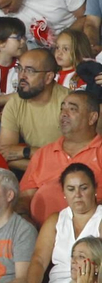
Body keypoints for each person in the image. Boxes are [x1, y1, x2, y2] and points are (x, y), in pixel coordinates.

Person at [19, 163, 102, 283]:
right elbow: (39, 261)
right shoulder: (55, 220)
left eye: (83, 188)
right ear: (63, 193)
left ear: (95, 189)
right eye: (71, 189)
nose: (77, 195)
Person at [22, 90, 102, 219]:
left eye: (72, 109)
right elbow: (25, 196)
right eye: (62, 109)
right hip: (39, 232)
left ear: (92, 118)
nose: (64, 114)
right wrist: (24, 220)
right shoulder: (44, 153)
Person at [0, 48, 67, 170]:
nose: (21, 76)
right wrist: (47, 165)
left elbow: (72, 157)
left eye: (29, 71)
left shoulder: (69, 104)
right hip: (35, 176)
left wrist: (27, 152)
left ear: (48, 77)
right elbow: (5, 156)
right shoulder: (14, 104)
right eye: (20, 69)